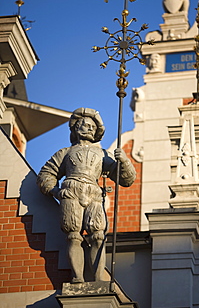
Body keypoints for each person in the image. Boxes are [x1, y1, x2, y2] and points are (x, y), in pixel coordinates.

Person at [37, 107, 136, 283]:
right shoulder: (65, 153)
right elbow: (46, 173)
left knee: (98, 235)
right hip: (71, 191)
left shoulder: (102, 154)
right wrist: (55, 191)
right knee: (73, 234)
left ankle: (98, 279)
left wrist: (124, 161)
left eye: (92, 126)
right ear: (75, 128)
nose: (89, 128)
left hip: (94, 193)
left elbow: (126, 180)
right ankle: (77, 277)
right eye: (85, 124)